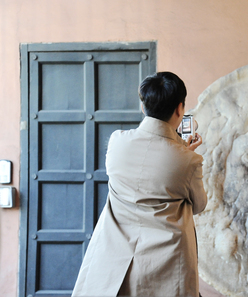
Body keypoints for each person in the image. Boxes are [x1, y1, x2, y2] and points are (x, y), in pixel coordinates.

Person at [72, 72, 207, 297]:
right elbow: (199, 205)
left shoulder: (117, 141)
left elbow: (145, 169)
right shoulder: (188, 161)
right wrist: (184, 153)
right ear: (180, 109)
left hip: (114, 258)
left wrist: (181, 152)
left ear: (143, 107)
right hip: (165, 265)